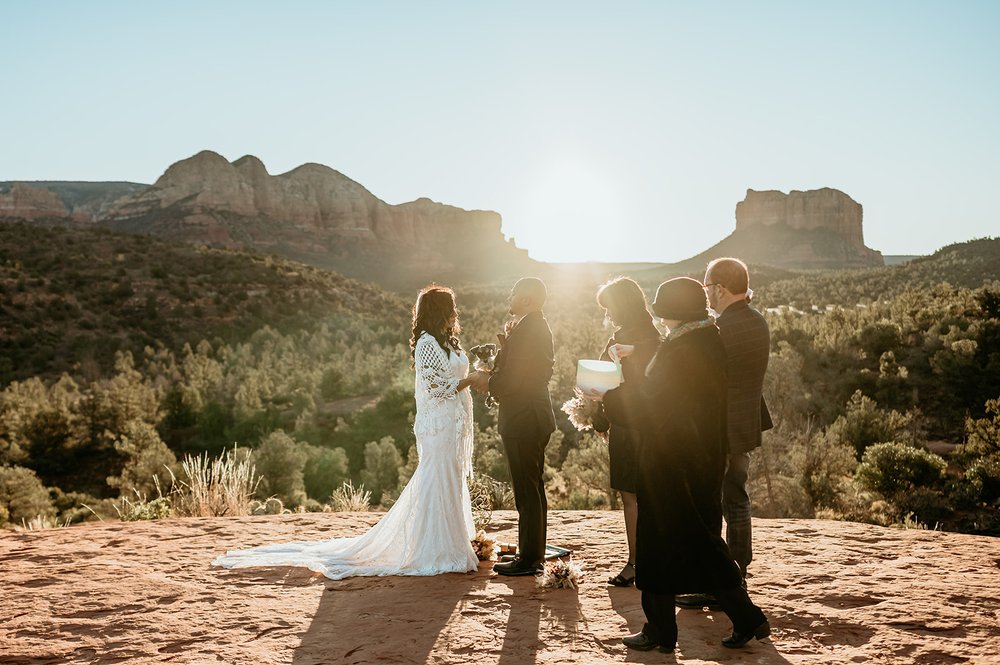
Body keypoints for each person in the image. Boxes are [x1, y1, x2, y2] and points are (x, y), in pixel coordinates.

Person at [212, 285, 482, 580]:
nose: (456, 313)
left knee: (451, 477)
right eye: (451, 307)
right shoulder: (427, 343)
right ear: (441, 310)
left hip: (454, 422)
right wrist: (472, 380)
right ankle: (436, 549)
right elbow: (437, 388)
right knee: (437, 477)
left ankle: (450, 542)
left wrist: (480, 372)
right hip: (438, 424)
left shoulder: (447, 341)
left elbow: (454, 376)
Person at [602, 277, 769, 652]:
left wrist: (607, 398)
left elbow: (651, 405)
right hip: (701, 459)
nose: (661, 321)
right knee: (700, 541)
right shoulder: (705, 339)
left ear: (674, 314)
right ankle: (732, 620)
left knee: (659, 545)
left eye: (664, 314)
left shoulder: (682, 350)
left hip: (671, 461)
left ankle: (666, 631)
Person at [677, 257, 771, 608]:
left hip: (721, 429)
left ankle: (721, 579)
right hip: (744, 425)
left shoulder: (723, 328)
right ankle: (735, 573)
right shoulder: (756, 320)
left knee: (718, 500)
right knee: (735, 497)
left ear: (719, 288)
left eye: (706, 288)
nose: (705, 296)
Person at [468, 277, 555, 576]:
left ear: (528, 299)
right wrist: (506, 346)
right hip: (532, 415)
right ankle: (533, 554)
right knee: (532, 488)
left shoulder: (530, 330)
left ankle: (530, 560)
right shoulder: (530, 327)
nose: (510, 295)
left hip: (524, 417)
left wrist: (487, 382)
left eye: (515, 292)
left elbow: (516, 380)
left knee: (526, 490)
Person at [594, 277, 660, 587]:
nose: (608, 314)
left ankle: (638, 563)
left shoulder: (639, 338)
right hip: (636, 423)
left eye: (609, 307)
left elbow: (602, 383)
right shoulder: (635, 335)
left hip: (635, 425)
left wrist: (600, 417)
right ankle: (644, 561)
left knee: (634, 496)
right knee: (637, 495)